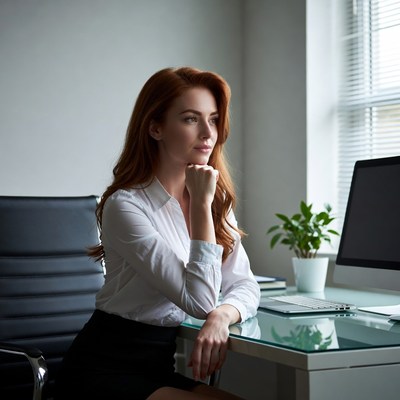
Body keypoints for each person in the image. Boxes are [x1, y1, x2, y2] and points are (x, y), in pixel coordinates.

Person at [55, 66, 260, 400]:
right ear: (155, 128)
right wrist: (200, 206)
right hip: (102, 370)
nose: (209, 133)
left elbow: (244, 284)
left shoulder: (213, 198)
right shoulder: (126, 206)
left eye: (214, 118)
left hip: (157, 367)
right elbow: (200, 300)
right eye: (191, 119)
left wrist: (223, 316)